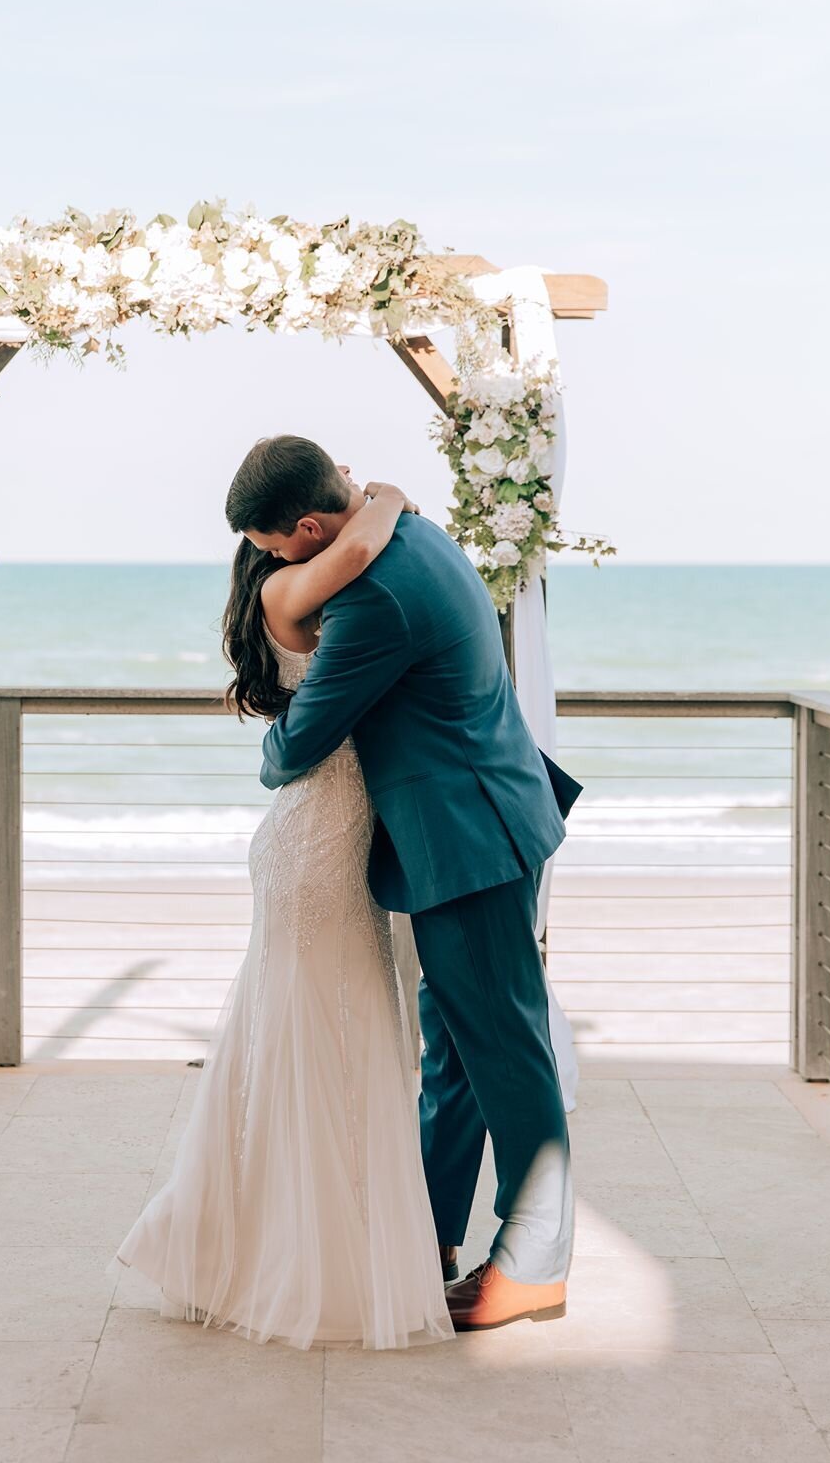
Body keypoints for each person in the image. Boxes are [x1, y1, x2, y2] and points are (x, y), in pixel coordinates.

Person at [112, 451, 453, 1350]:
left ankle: (293, 1240)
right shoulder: (291, 591)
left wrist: (357, 496)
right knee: (320, 1039)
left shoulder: (285, 586)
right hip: (316, 848)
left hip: (322, 839)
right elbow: (368, 534)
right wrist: (382, 492)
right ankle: (309, 1259)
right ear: (287, 542)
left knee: (320, 1039)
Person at [246, 436, 580, 1333]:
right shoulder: (411, 534)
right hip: (485, 811)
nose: (271, 566)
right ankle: (427, 1229)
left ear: (310, 528)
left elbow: (304, 740)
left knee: (503, 1047)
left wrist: (267, 751)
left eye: (275, 549)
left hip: (468, 835)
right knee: (459, 1046)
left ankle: (535, 1262)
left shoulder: (375, 600)